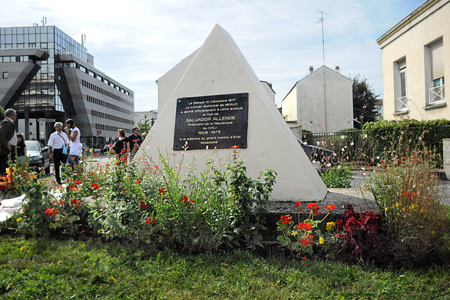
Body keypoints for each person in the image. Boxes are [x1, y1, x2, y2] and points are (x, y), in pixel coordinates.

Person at [0, 109, 17, 175]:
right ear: (12, 115)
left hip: (9, 149)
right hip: (6, 150)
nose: (16, 117)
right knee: (7, 168)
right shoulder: (6, 122)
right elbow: (1, 133)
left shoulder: (9, 123)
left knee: (10, 167)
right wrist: (6, 145)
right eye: (15, 115)